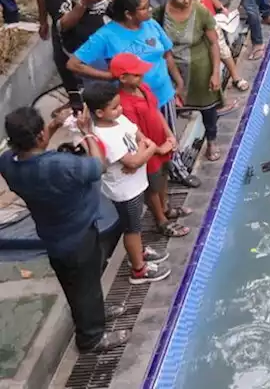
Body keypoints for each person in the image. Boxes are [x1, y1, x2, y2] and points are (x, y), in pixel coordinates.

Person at [0, 106, 129, 352]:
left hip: (52, 236)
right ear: (39, 137)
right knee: (85, 285)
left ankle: (95, 315)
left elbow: (29, 148)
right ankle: (91, 338)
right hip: (78, 235)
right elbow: (97, 167)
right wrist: (88, 132)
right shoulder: (60, 165)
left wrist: (54, 125)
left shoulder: (7, 164)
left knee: (75, 284)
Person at [82, 81, 172, 285]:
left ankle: (139, 251)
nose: (120, 109)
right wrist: (145, 151)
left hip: (134, 183)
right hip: (124, 190)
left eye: (119, 104)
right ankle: (138, 269)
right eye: (114, 107)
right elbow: (136, 158)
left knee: (136, 223)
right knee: (132, 228)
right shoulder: (103, 135)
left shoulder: (119, 120)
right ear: (99, 112)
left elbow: (140, 136)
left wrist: (142, 151)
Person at [111, 51, 187, 238]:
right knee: (152, 186)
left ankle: (166, 207)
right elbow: (135, 133)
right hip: (147, 149)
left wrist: (169, 134)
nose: (141, 76)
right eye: (136, 74)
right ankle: (160, 220)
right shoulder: (123, 103)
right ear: (122, 78)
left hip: (161, 142)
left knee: (163, 176)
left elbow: (156, 112)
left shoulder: (143, 88)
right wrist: (157, 148)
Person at [154, 0, 227, 162]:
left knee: (208, 109)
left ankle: (211, 141)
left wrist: (215, 73)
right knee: (172, 109)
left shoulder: (200, 11)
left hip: (200, 68)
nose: (187, 0)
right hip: (172, 69)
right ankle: (174, 151)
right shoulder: (160, 13)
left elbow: (213, 43)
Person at [43, 0, 110, 106]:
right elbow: (63, 24)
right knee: (99, 92)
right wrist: (84, 4)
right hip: (84, 45)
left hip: (104, 34)